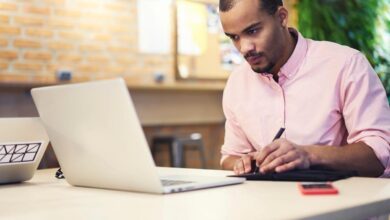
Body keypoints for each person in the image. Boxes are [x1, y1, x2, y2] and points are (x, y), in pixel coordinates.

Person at [219, 0, 390, 177]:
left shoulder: (345, 64)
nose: (244, 48)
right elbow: (230, 157)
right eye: (234, 37)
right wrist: (244, 163)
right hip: (269, 201)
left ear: (282, 18)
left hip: (348, 198)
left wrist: (309, 155)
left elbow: (378, 155)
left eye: (253, 31)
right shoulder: (237, 83)